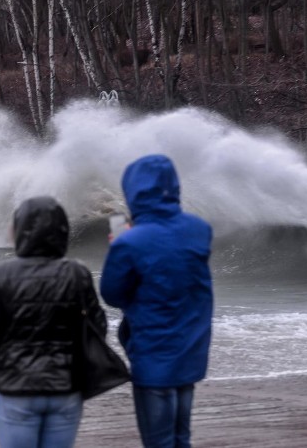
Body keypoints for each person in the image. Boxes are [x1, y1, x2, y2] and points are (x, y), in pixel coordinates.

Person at [0, 195, 108, 448]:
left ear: (22, 230)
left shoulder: (2, 275)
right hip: (65, 389)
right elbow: (98, 328)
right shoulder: (77, 273)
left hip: (16, 390)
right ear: (62, 230)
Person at [100, 154, 213, 448]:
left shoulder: (129, 242)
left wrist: (117, 249)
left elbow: (112, 294)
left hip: (153, 357)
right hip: (191, 352)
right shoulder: (199, 230)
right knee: (181, 438)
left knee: (159, 443)